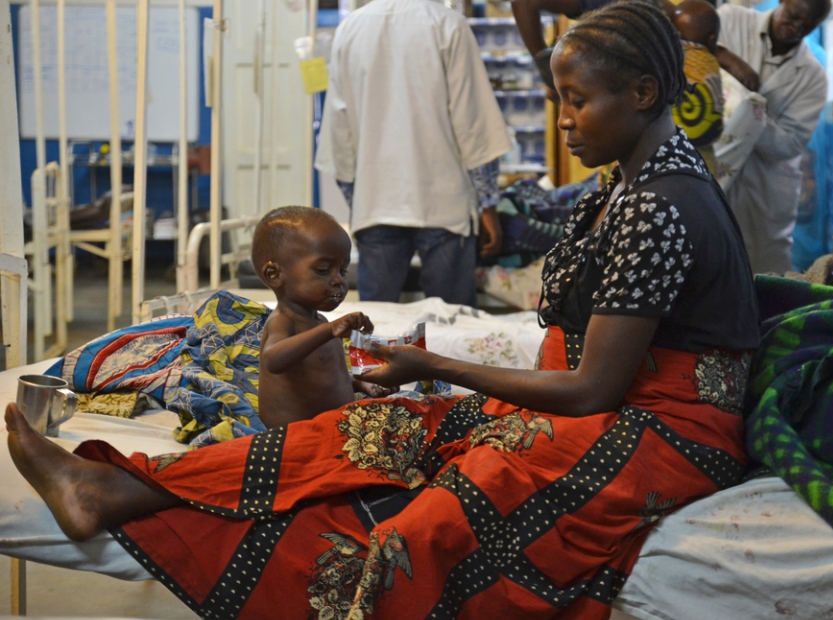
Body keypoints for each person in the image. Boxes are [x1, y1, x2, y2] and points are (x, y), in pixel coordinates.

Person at [7, 4, 760, 618]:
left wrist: (430, 362)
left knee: (426, 523)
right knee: (379, 424)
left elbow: (595, 389)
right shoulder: (630, 183)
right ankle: (117, 486)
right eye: (560, 99)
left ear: (642, 95)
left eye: (576, 101)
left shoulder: (663, 204)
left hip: (661, 436)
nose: (564, 121)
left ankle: (140, 502)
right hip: (606, 407)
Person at [316, 0, 512, 307]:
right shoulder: (448, 25)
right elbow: (472, 121)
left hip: (376, 201)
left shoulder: (350, 29)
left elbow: (339, 131)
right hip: (444, 204)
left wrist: (358, 202)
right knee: (452, 322)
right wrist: (488, 205)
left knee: (375, 327)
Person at [713, 0, 831, 274]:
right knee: (708, 262)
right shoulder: (731, 21)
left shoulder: (814, 77)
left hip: (765, 185)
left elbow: (790, 144)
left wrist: (750, 112)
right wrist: (728, 59)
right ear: (781, 2)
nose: (795, 29)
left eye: (806, 26)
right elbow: (691, 51)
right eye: (792, 17)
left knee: (763, 274)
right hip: (712, 159)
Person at [252, 207, 392, 428]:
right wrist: (330, 330)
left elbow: (323, 376)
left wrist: (360, 383)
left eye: (342, 271)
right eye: (323, 270)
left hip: (333, 426)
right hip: (296, 437)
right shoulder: (283, 321)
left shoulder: (319, 323)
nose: (339, 281)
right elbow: (272, 360)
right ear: (275, 275)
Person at [668, 0, 725, 175]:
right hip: (700, 149)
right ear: (712, 38)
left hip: (663, 142)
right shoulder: (709, 62)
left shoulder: (666, 56)